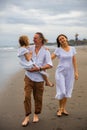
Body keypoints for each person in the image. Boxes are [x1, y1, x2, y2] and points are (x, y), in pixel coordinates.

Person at [21, 33, 53, 126]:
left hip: (39, 78)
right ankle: (26, 116)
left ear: (41, 39)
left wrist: (38, 68)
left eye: (35, 38)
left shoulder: (46, 51)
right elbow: (21, 51)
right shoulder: (29, 48)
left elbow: (49, 64)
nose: (33, 39)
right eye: (33, 38)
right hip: (28, 76)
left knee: (38, 98)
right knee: (26, 97)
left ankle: (36, 114)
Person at [51, 34, 79, 117]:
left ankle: (63, 109)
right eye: (60, 39)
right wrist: (45, 52)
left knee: (67, 91)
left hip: (70, 73)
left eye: (63, 38)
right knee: (62, 91)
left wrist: (76, 72)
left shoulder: (72, 49)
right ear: (59, 42)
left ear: (66, 38)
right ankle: (60, 109)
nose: (62, 40)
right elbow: (50, 58)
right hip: (60, 72)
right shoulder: (58, 50)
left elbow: (74, 61)